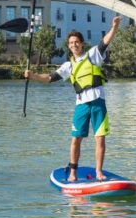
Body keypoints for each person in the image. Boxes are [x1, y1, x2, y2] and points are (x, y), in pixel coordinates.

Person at [24, 15, 121, 182]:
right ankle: (73, 172)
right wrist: (32, 76)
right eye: (70, 43)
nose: (74, 45)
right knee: (76, 139)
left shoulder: (92, 55)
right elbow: (49, 78)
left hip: (98, 102)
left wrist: (114, 27)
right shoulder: (68, 65)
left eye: (76, 42)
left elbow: (105, 42)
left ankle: (99, 172)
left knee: (100, 139)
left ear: (81, 43)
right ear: (69, 46)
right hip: (81, 105)